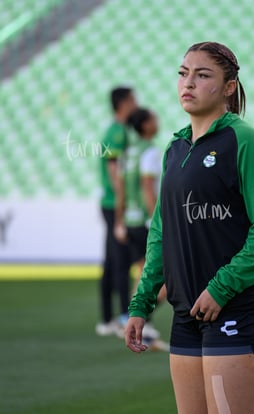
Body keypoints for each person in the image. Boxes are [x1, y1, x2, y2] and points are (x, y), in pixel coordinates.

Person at [125, 41, 254, 413]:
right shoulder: (175, 150)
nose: (189, 83)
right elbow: (161, 234)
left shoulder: (246, 142)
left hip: (238, 309)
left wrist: (220, 287)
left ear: (229, 86)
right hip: (186, 314)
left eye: (202, 75)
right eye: (184, 73)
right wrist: (142, 304)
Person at [115, 107, 168, 349]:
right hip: (147, 221)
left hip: (131, 219)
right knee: (159, 277)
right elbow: (148, 186)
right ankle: (135, 319)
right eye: (154, 118)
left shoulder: (129, 152)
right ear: (145, 125)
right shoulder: (150, 152)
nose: (157, 122)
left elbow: (122, 189)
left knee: (143, 272)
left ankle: (135, 320)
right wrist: (158, 219)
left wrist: (120, 220)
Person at [96, 86, 137, 337]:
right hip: (115, 205)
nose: (136, 104)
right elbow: (115, 174)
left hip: (112, 204)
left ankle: (108, 318)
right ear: (123, 103)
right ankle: (122, 318)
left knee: (112, 262)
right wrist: (123, 210)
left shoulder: (117, 130)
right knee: (120, 262)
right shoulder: (118, 132)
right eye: (133, 100)